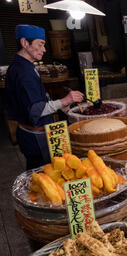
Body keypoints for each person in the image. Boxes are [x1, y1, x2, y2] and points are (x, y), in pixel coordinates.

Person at [5, 25, 84, 170]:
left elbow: (33, 99)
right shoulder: (24, 73)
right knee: (44, 175)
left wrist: (59, 105)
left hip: (31, 132)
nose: (44, 49)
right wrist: (66, 100)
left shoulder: (22, 66)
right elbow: (36, 110)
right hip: (35, 137)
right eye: (40, 44)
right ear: (25, 43)